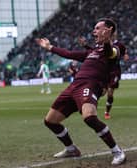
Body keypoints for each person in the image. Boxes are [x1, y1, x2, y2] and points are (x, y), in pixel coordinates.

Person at [36, 18, 126, 165]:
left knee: (89, 117)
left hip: (90, 85)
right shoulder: (92, 51)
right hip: (74, 85)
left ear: (108, 30)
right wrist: (49, 47)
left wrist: (107, 41)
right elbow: (69, 53)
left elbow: (112, 53)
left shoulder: (117, 47)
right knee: (50, 121)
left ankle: (117, 151)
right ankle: (71, 149)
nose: (94, 31)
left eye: (97, 28)